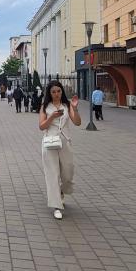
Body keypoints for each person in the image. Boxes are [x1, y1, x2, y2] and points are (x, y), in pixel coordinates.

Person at [39, 80, 81, 219]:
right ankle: (57, 206)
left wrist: (74, 108)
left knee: (68, 174)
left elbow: (77, 122)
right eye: (53, 92)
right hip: (50, 143)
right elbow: (42, 126)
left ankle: (62, 191)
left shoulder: (67, 105)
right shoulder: (45, 106)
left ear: (61, 91)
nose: (56, 94)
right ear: (49, 93)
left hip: (65, 142)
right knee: (52, 174)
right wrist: (52, 116)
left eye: (58, 91)